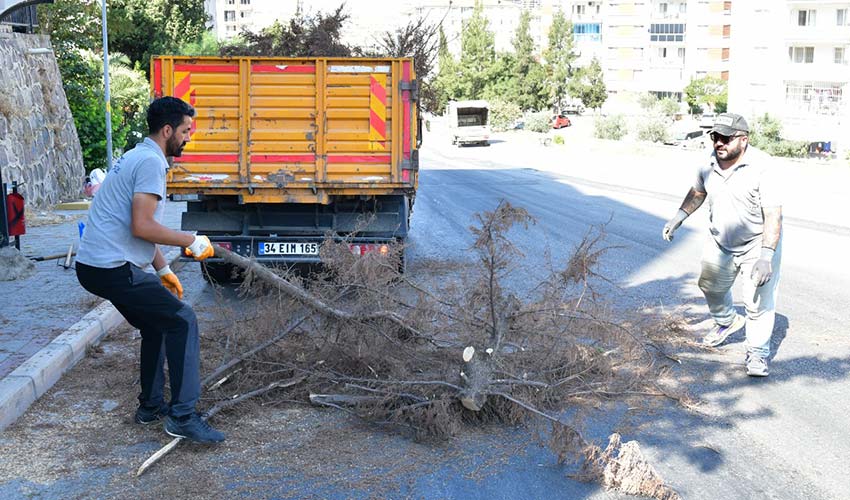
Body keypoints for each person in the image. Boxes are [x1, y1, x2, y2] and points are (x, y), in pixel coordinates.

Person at [76, 97, 224, 442]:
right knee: (183, 319)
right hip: (111, 267)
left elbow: (136, 227)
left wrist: (162, 270)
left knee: (157, 324)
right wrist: (190, 240)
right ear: (167, 130)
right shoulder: (150, 163)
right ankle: (183, 416)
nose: (188, 138)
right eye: (185, 131)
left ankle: (151, 407)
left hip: (96, 265)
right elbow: (142, 226)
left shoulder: (137, 155)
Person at [662, 113, 782, 377]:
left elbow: (773, 214)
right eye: (715, 137)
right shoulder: (707, 163)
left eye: (726, 138)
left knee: (757, 302)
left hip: (756, 243)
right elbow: (698, 191)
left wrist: (766, 256)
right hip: (720, 240)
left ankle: (757, 353)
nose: (718, 143)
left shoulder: (763, 166)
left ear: (743, 140)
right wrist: (678, 217)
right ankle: (727, 321)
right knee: (710, 286)